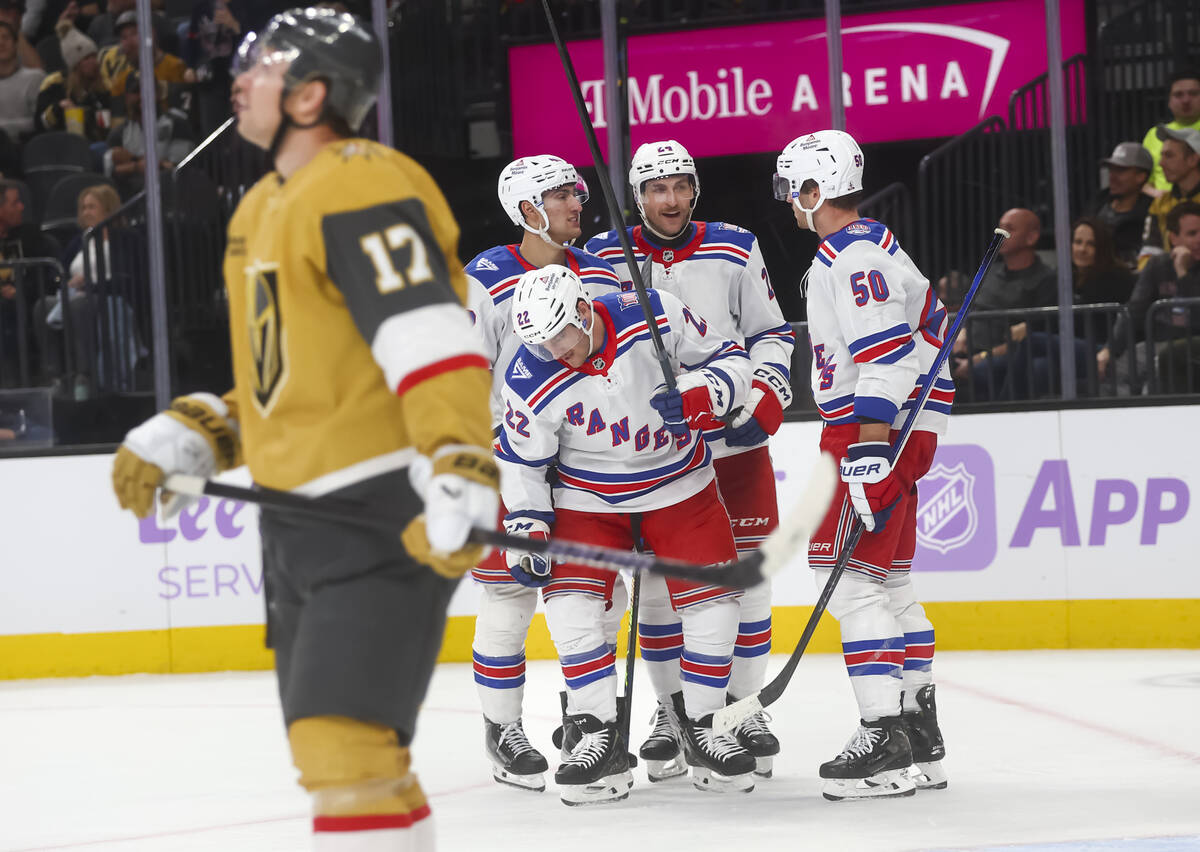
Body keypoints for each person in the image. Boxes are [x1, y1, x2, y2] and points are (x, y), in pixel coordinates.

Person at [109, 9, 497, 851]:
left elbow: (427, 332)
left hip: (378, 511)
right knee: (367, 758)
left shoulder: (360, 179)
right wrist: (209, 428)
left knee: (342, 750)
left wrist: (459, 457)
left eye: (264, 67)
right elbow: (294, 376)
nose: (239, 80)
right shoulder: (262, 206)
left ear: (312, 95)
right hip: (298, 524)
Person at [498, 263, 759, 803]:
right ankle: (597, 735)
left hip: (679, 483)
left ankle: (705, 725)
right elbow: (520, 457)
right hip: (586, 498)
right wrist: (527, 521)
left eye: (559, 337)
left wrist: (699, 392)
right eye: (540, 344)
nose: (553, 352)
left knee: (715, 601)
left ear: (581, 311)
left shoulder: (654, 311)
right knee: (571, 608)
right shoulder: (530, 372)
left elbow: (731, 359)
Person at [584, 139, 794, 780]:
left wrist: (768, 395)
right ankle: (673, 713)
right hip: (655, 452)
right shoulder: (599, 255)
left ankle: (742, 707)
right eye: (655, 189)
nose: (669, 200)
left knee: (747, 582)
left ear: (695, 188)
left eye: (679, 186)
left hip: (732, 440)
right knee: (660, 589)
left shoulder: (735, 245)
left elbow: (770, 335)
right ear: (636, 195)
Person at [775, 129, 949, 801]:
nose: (788, 199)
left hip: (871, 430)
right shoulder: (869, 243)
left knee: (850, 587)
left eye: (793, 186)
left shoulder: (850, 257)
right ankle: (921, 739)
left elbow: (882, 355)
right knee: (892, 583)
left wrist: (871, 449)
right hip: (897, 428)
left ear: (813, 189)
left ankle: (883, 742)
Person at [464, 153, 623, 793]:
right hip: (509, 459)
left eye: (576, 193)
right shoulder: (484, 279)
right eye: (560, 196)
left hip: (587, 462)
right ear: (526, 210)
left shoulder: (598, 271)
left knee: (595, 593)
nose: (575, 204)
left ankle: (583, 717)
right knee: (509, 591)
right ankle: (502, 730)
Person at [951, 207, 1057, 400]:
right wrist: (962, 333)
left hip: (1004, 356)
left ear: (1031, 237)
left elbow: (1031, 334)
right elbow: (970, 308)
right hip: (965, 350)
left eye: (1009, 228)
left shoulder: (1045, 279)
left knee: (983, 372)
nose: (1000, 233)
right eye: (999, 227)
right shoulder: (989, 272)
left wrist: (978, 359)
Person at [1099, 201, 1200, 394]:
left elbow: (1196, 317)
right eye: (1192, 234)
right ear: (1174, 238)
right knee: (1114, 372)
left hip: (1192, 344)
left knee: (1157, 373)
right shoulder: (1157, 266)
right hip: (1156, 343)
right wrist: (1108, 350)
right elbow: (1134, 311)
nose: (1199, 239)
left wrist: (1183, 273)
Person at [0, 178, 58, 384]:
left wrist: (19, 292)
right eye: (14, 203)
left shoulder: (30, 237)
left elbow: (44, 278)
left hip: (25, 302)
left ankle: (13, 384)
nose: (22, 207)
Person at [34, 21, 109, 141]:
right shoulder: (55, 83)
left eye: (94, 56)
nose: (93, 62)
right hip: (60, 144)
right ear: (75, 65)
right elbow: (40, 124)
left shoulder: (103, 86)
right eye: (87, 58)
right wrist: (58, 108)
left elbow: (106, 125)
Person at [1139, 126, 1200, 268]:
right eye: (1162, 155)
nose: (1161, 163)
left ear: (1192, 160)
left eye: (1169, 156)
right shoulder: (1160, 204)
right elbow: (1149, 251)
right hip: (1168, 284)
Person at [1087, 142, 1153, 267]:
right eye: (1111, 169)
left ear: (1141, 177)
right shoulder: (1097, 202)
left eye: (1120, 170)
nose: (1112, 176)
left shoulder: (1151, 213)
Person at [1141, 70, 1200, 193]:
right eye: (1178, 95)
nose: (1186, 100)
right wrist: (1162, 198)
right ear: (1169, 101)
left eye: (1193, 93)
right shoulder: (1154, 134)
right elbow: (1144, 182)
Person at [0, 19, 43, 140]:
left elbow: (40, 121)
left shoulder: (34, 78)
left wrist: (3, 129)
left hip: (25, 146)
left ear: (15, 44)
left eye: (6, 38)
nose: (1, 42)